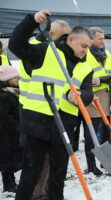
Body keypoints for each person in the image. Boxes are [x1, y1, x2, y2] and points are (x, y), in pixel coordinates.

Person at [9, 10, 94, 200]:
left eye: (88, 47)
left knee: (58, 176)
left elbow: (89, 92)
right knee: (30, 175)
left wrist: (81, 95)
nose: (86, 50)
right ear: (70, 40)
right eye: (83, 46)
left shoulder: (85, 65)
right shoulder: (46, 52)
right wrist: (31, 21)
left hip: (65, 124)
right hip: (38, 123)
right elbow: (16, 44)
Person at [17, 19, 71, 200]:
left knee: (48, 164)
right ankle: (36, 194)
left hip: (50, 113)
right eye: (65, 37)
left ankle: (43, 193)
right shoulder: (40, 49)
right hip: (32, 111)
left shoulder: (58, 53)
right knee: (32, 167)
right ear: (54, 34)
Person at [84, 26, 111, 176]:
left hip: (108, 98)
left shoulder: (108, 54)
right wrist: (100, 80)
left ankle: (106, 161)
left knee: (106, 133)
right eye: (100, 38)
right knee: (91, 134)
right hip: (93, 98)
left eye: (104, 38)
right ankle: (91, 165)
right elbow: (79, 79)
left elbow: (110, 70)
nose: (104, 41)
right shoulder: (85, 54)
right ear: (91, 40)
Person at [0, 66, 22, 193]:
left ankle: (10, 183)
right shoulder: (4, 96)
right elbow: (4, 117)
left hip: (12, 131)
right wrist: (16, 125)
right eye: (15, 77)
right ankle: (9, 185)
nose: (18, 79)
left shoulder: (12, 91)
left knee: (10, 157)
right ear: (6, 79)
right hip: (6, 133)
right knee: (6, 158)